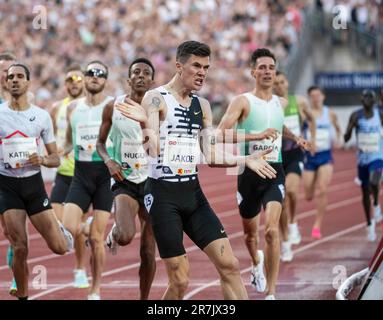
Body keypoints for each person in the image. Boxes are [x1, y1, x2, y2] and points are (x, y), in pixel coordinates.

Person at [116, 41, 278, 300]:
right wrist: (147, 122)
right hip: (163, 196)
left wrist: (245, 159)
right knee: (180, 281)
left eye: (206, 67)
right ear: (179, 67)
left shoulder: (201, 106)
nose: (202, 72)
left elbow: (211, 154)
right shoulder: (156, 98)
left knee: (230, 266)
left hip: (193, 194)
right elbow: (152, 150)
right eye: (196, 66)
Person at [217, 48, 311, 299]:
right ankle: (255, 260)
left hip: (274, 170)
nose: (268, 71)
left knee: (271, 231)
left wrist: (296, 138)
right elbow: (220, 133)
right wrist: (254, 136)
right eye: (263, 67)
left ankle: (271, 291)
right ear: (253, 72)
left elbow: (279, 127)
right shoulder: (242, 101)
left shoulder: (281, 103)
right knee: (250, 235)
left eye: (271, 67)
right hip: (247, 172)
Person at [0, 63, 73, 300]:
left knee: (60, 248)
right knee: (19, 245)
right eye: (11, 77)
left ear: (28, 82)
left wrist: (41, 158)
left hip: (33, 186)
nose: (14, 80)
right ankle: (23, 295)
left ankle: (60, 229)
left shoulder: (41, 116)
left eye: (20, 76)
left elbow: (55, 159)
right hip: (7, 186)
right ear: (5, 82)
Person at [96, 58, 157, 300]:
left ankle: (144, 299)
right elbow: (100, 143)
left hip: (152, 181)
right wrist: (109, 161)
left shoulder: (158, 108)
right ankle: (115, 232)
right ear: (128, 79)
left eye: (146, 73)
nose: (141, 76)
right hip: (125, 180)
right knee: (125, 236)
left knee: (149, 251)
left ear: (152, 81)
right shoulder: (113, 106)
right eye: (136, 72)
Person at [62, 60, 114, 300]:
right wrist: (55, 155)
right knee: (68, 228)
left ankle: (95, 290)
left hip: (104, 176)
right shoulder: (73, 109)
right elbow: (68, 141)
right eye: (91, 73)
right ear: (84, 78)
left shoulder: (112, 105)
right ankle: (86, 224)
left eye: (100, 74)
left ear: (105, 79)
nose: (95, 77)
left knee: (96, 238)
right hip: (81, 175)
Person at [49, 65, 90, 288]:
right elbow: (52, 137)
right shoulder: (56, 108)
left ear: (83, 82)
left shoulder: (90, 107)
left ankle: (80, 269)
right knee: (59, 226)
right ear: (65, 84)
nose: (74, 82)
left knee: (75, 227)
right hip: (63, 173)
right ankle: (93, 228)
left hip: (83, 173)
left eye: (78, 79)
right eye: (70, 79)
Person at [273, 71, 316, 262]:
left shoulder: (298, 101)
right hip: (276, 155)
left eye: (282, 82)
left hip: (295, 153)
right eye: (276, 83)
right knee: (280, 200)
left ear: (287, 83)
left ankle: (292, 222)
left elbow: (311, 118)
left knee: (291, 191)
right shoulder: (271, 105)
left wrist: (312, 139)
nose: (279, 85)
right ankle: (286, 242)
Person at [303, 86, 342, 239]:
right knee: (308, 194)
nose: (315, 98)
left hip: (325, 156)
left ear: (323, 97)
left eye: (318, 95)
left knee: (323, 189)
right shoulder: (306, 114)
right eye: (312, 96)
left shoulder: (330, 113)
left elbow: (338, 128)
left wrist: (338, 139)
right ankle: (310, 194)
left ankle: (317, 225)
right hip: (310, 157)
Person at [344, 89, 383, 242]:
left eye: (370, 98)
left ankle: (376, 203)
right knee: (365, 191)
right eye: (365, 97)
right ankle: (369, 223)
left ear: (374, 101)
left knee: (375, 181)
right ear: (361, 100)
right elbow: (346, 138)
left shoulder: (379, 114)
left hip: (377, 156)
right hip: (362, 160)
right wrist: (349, 130)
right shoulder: (355, 115)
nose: (367, 100)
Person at [0, 52, 19, 295]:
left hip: (13, 172)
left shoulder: (24, 98)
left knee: (12, 230)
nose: (6, 75)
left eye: (10, 71)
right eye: (3, 71)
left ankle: (17, 277)